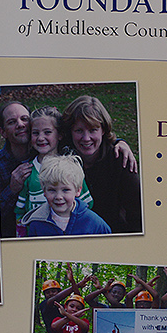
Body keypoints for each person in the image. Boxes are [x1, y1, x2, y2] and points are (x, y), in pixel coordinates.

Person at [62, 94, 143, 234]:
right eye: (79, 130)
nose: (86, 138)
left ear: (103, 130)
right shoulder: (62, 158)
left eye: (93, 130)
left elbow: (138, 216)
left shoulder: (120, 160)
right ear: (70, 131)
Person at [15, 106, 93, 226]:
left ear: (60, 135)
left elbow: (86, 205)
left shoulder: (71, 167)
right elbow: (20, 212)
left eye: (47, 132)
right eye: (35, 133)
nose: (41, 138)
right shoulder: (28, 171)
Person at [22, 155, 113, 237]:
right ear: (44, 191)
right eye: (52, 190)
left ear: (78, 190)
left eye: (65, 190)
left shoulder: (93, 223)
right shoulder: (37, 223)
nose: (58, 197)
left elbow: (107, 249)